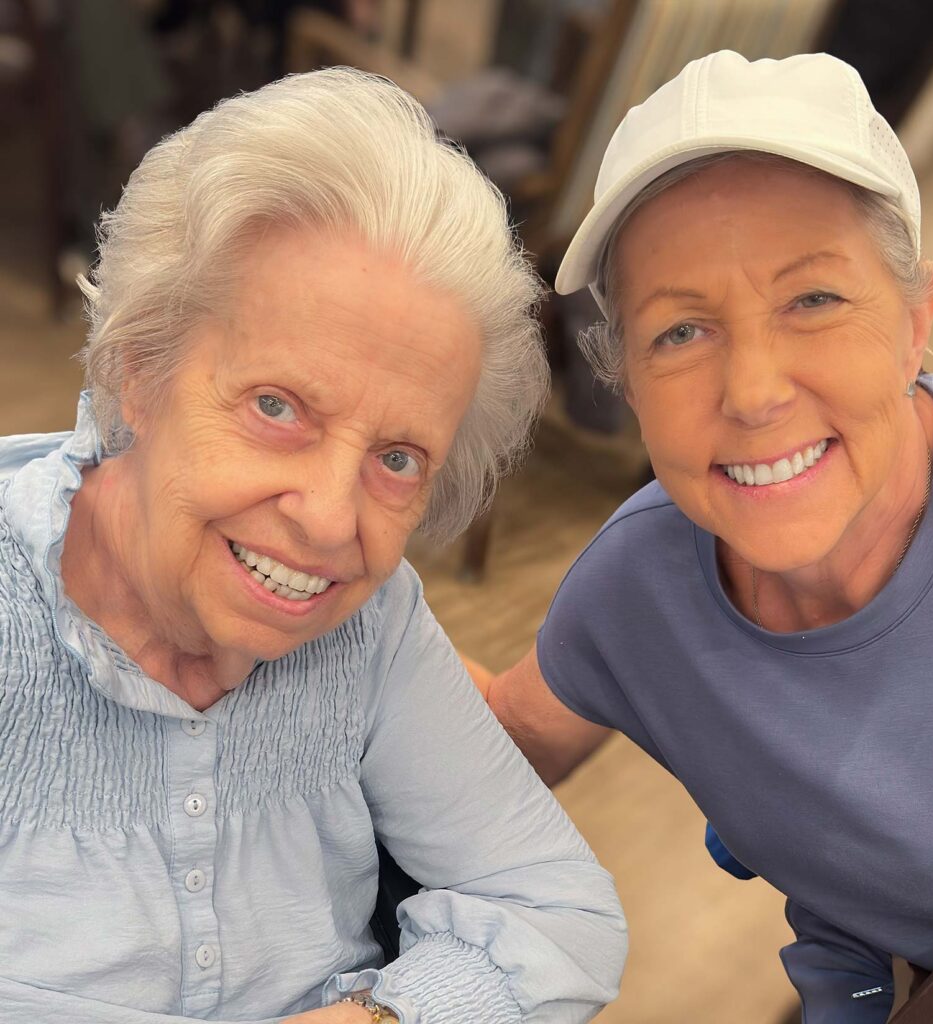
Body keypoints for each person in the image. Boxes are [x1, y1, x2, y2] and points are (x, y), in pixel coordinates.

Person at [0, 68, 627, 1023]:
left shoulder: (369, 627)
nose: (333, 521)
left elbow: (559, 912)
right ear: (140, 367)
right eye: (276, 406)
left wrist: (381, 1017)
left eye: (399, 457)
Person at [479, 50, 933, 1022]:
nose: (754, 392)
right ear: (627, 388)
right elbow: (501, 742)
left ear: (914, 322)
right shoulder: (636, 592)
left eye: (812, 300)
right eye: (679, 332)